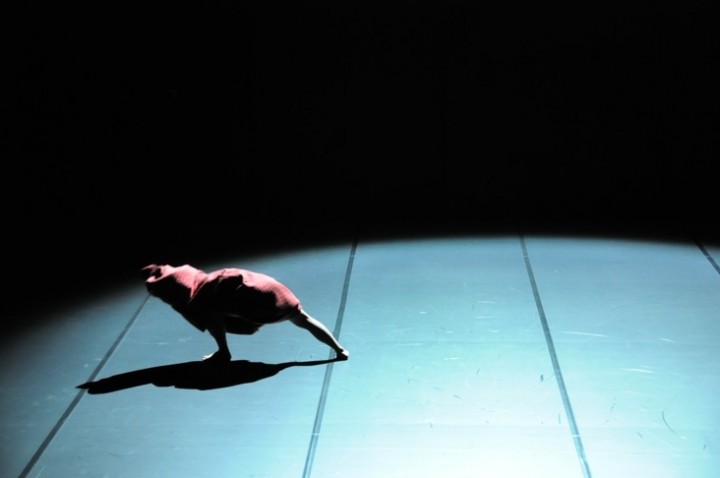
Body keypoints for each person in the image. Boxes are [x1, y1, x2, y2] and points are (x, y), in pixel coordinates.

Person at [141, 264, 350, 362]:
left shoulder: (203, 294)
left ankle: (223, 352)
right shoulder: (208, 278)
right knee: (303, 318)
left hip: (260, 300)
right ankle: (339, 349)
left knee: (210, 315)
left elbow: (207, 312)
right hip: (272, 290)